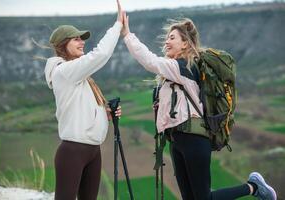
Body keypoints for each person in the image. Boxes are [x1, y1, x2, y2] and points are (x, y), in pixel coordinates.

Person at [121, 13, 277, 200]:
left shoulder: (184, 67)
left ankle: (253, 187)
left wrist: (127, 35)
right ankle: (253, 187)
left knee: (204, 198)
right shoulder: (173, 74)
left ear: (185, 44)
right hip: (177, 140)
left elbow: (150, 61)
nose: (166, 42)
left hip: (193, 138)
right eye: (166, 39)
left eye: (172, 38)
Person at [44, 1, 124, 199]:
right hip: (73, 151)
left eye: (82, 39)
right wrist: (118, 25)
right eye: (76, 39)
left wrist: (104, 115)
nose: (82, 42)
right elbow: (102, 54)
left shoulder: (80, 77)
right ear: (63, 45)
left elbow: (82, 108)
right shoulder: (64, 71)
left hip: (92, 150)